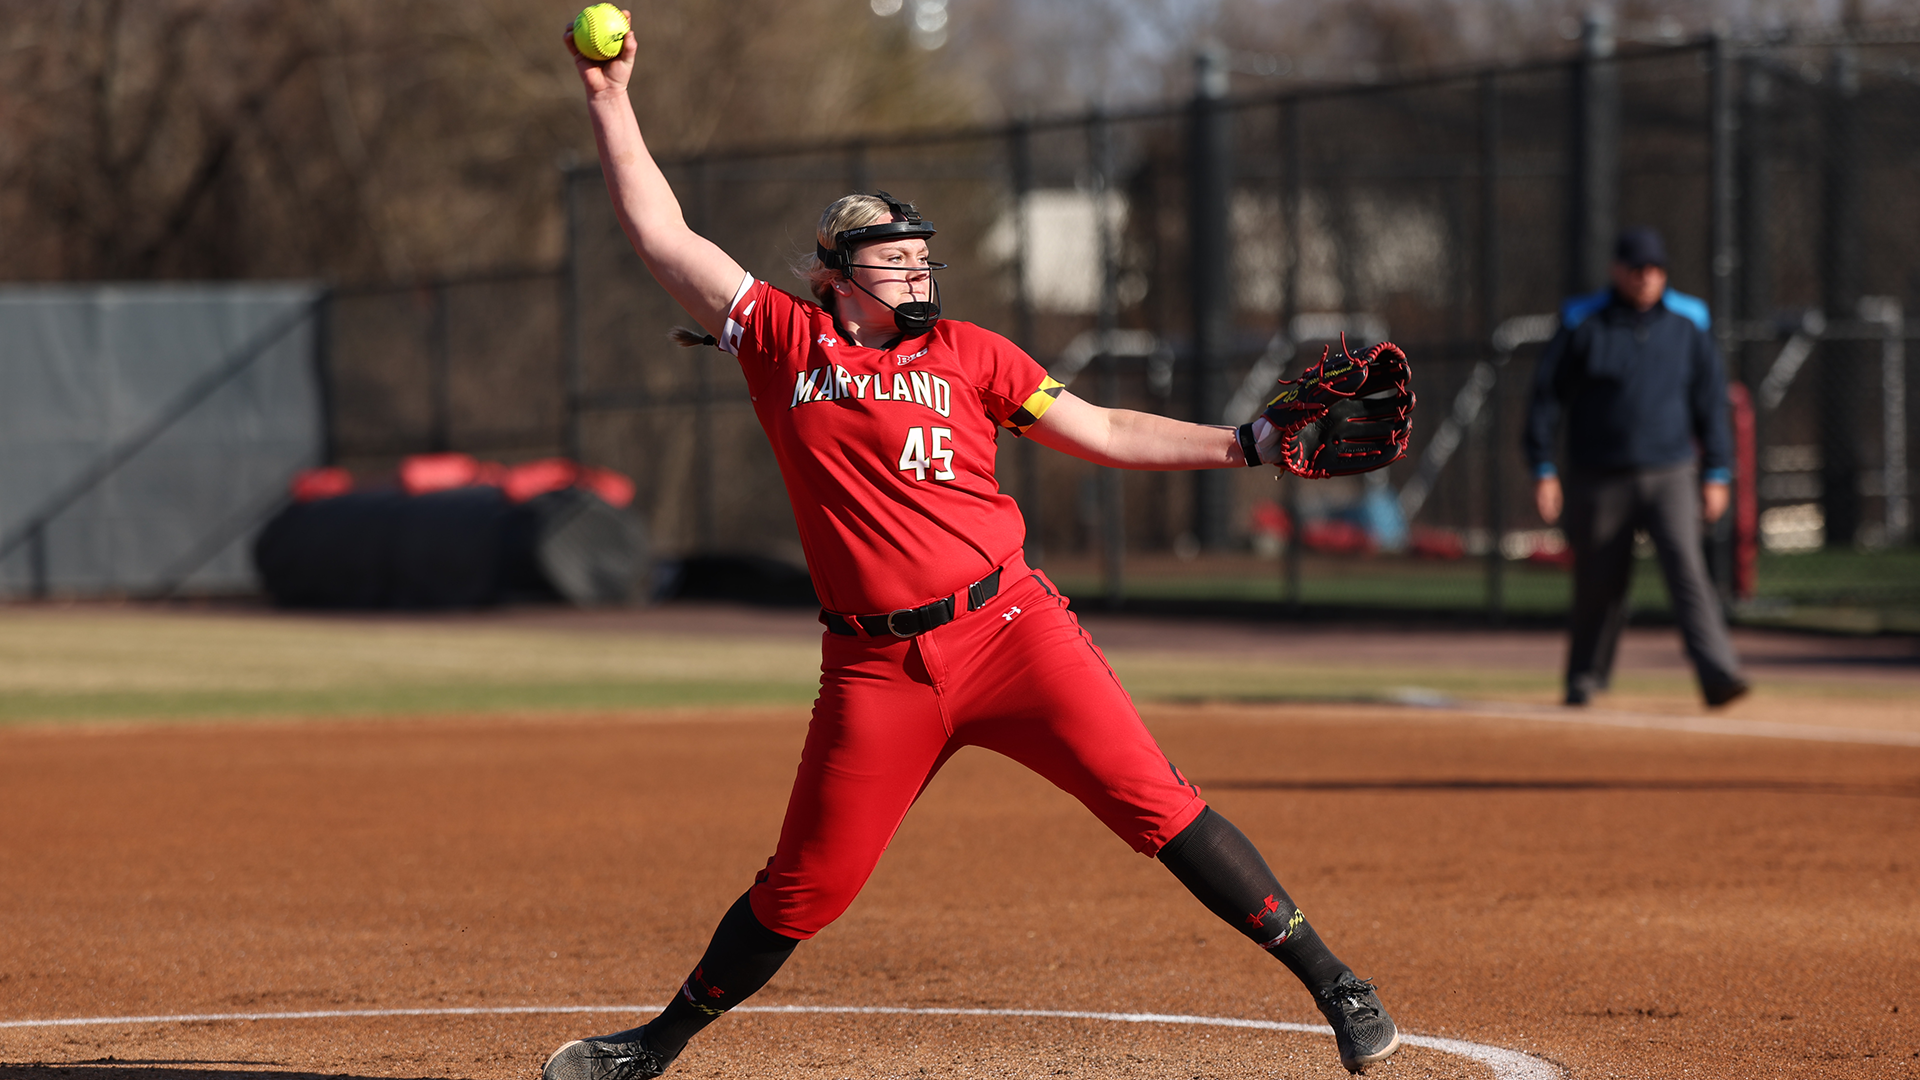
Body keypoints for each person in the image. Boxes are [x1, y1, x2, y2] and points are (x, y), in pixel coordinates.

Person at [544, 16, 1402, 1078]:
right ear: (835, 280)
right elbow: (664, 236)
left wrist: (1249, 443)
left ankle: (1339, 985)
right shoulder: (780, 340)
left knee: (1156, 804)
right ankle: (657, 1046)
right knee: (807, 885)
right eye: (891, 263)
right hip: (875, 669)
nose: (915, 275)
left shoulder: (973, 354)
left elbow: (1106, 430)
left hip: (1011, 630)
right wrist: (608, 97)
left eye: (921, 259)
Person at [1524, 226, 1750, 708]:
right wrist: (1543, 467)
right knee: (1599, 580)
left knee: (1689, 573)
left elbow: (1711, 403)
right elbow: (1546, 399)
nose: (1647, 278)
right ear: (1617, 270)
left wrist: (1717, 473)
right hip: (1600, 475)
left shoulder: (1689, 321)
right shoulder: (1583, 320)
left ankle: (1718, 674)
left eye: (1655, 269)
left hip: (1671, 472)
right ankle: (1585, 677)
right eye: (1638, 269)